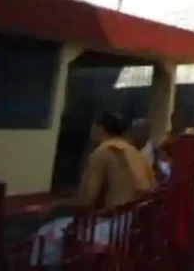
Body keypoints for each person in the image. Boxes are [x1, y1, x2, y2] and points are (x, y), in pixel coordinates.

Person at [33, 111, 157, 265]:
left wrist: (53, 205)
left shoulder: (103, 151)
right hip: (133, 224)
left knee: (45, 235)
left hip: (112, 228)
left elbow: (85, 200)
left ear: (100, 129)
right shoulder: (133, 152)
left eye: (94, 127)